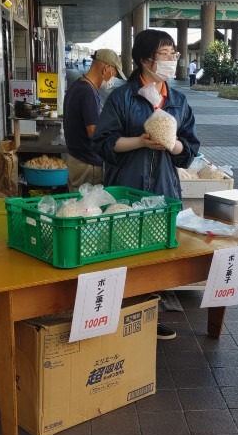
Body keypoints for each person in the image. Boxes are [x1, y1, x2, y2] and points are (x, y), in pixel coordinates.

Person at [93, 29, 201, 340]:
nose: (171, 59)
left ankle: (147, 317)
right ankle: (115, 317)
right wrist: (140, 141)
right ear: (145, 60)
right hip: (125, 187)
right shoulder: (122, 98)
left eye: (173, 53)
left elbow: (190, 148)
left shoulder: (178, 101)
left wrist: (173, 145)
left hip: (164, 189)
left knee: (155, 260)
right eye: (165, 54)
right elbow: (103, 143)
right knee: (120, 252)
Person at [63, 48, 124, 192]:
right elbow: (93, 132)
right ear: (106, 68)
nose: (112, 80)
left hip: (77, 159)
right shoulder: (87, 92)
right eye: (114, 74)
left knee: (77, 205)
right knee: (87, 208)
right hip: (87, 164)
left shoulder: (77, 85)